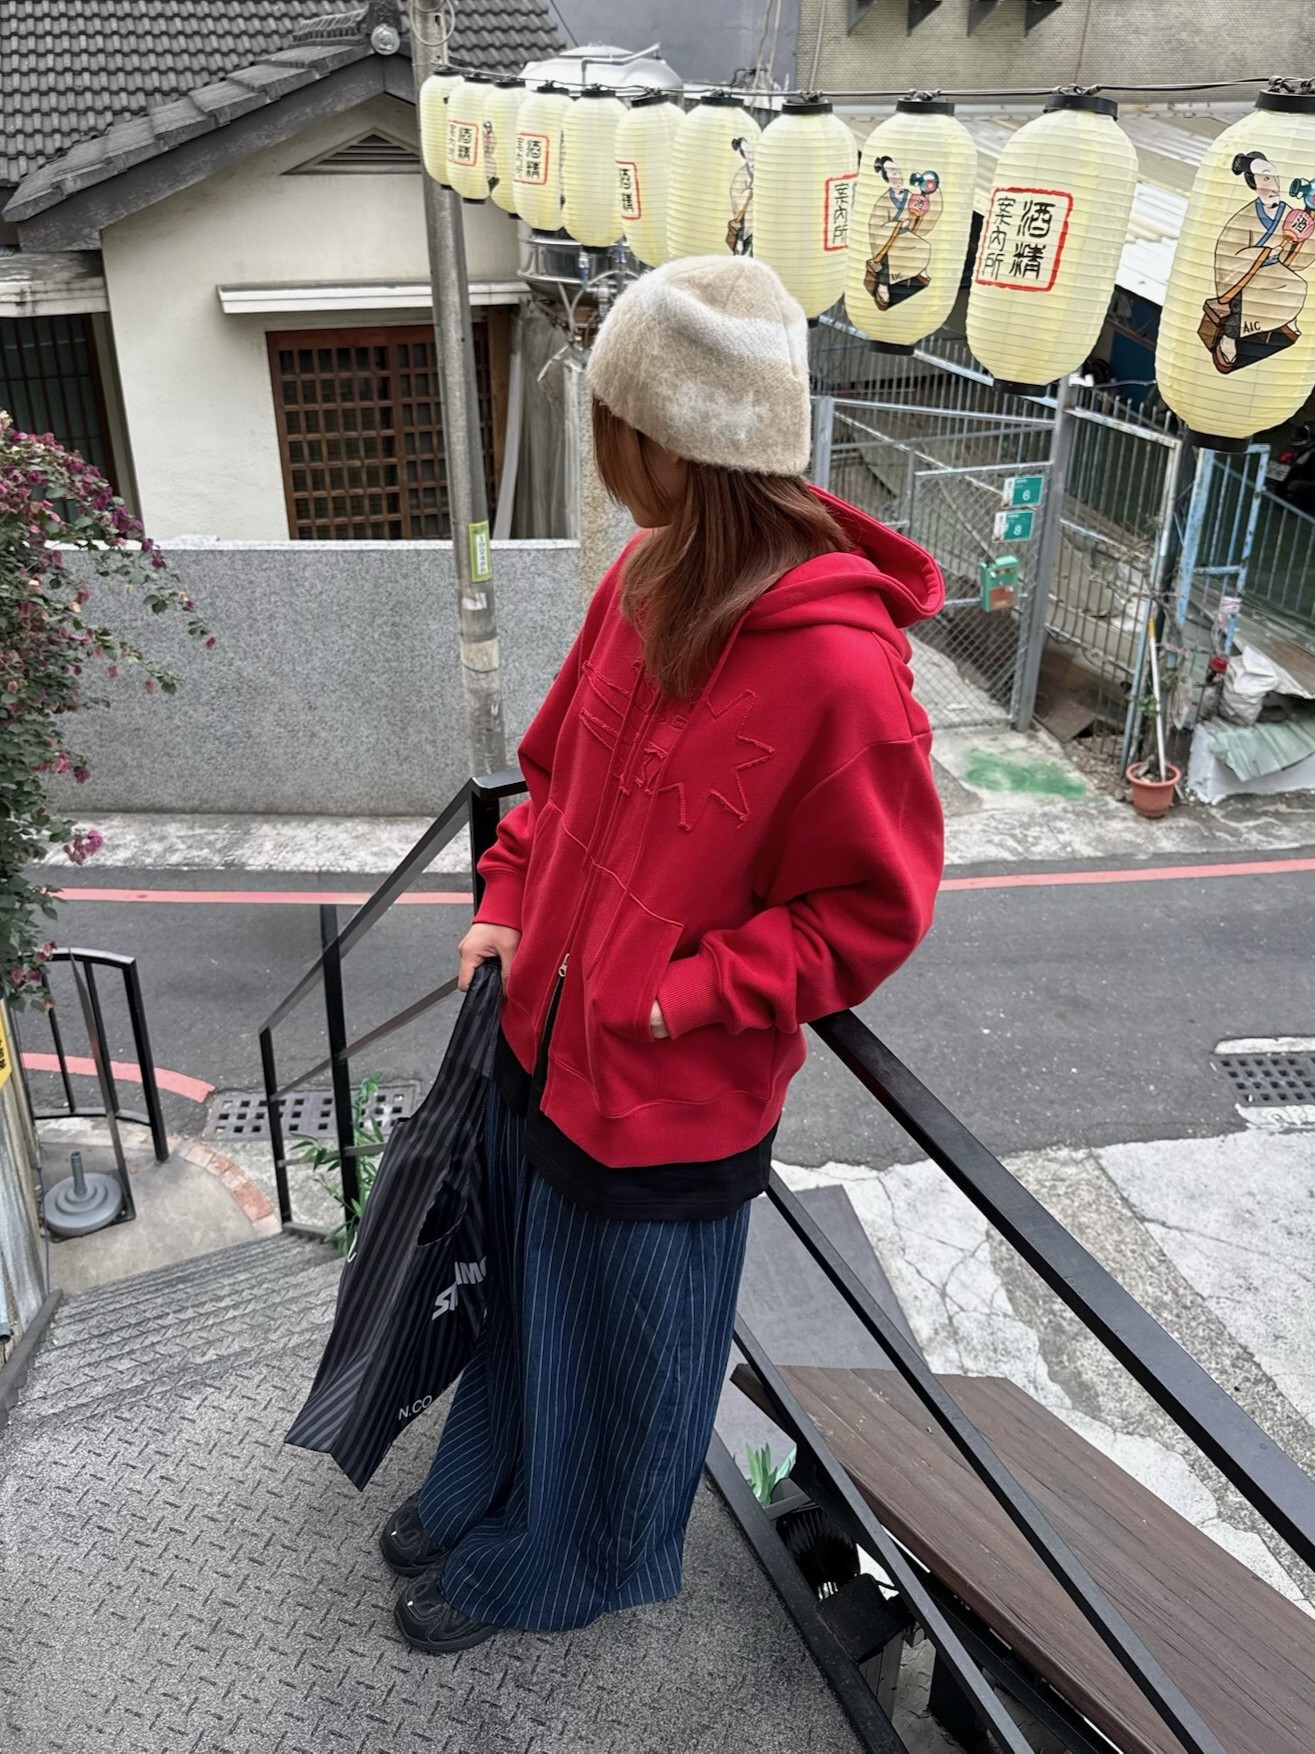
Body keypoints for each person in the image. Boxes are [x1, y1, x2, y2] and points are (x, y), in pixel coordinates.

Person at [380, 255, 945, 1654]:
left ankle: (556, 1565)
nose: (600, 447)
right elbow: (552, 773)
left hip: (670, 1095)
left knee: (624, 1367)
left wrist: (673, 994)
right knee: (527, 1308)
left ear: (671, 441)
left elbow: (868, 914)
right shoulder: (643, 574)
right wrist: (508, 897)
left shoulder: (841, 671)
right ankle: (483, 1489)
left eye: (611, 421)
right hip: (538, 1043)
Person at [1204, 150, 1315, 374]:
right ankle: (1230, 336)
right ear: (1254, 184)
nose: (1272, 185)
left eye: (1273, 177)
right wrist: (1263, 253)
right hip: (1244, 271)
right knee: (1250, 293)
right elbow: (1229, 254)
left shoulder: (1286, 212)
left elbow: (1294, 255)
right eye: (1265, 178)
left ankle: (1282, 320)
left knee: (1296, 285)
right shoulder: (1245, 217)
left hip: (1271, 267)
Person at [864, 157, 941, 310]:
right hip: (887, 238)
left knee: (923, 246)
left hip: (905, 234)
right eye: (892, 173)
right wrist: (898, 225)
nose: (897, 177)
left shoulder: (909, 195)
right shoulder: (884, 201)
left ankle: (917, 271)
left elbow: (919, 213)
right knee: (890, 252)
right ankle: (883, 284)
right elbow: (877, 227)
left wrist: (926, 197)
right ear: (886, 178)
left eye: (898, 172)